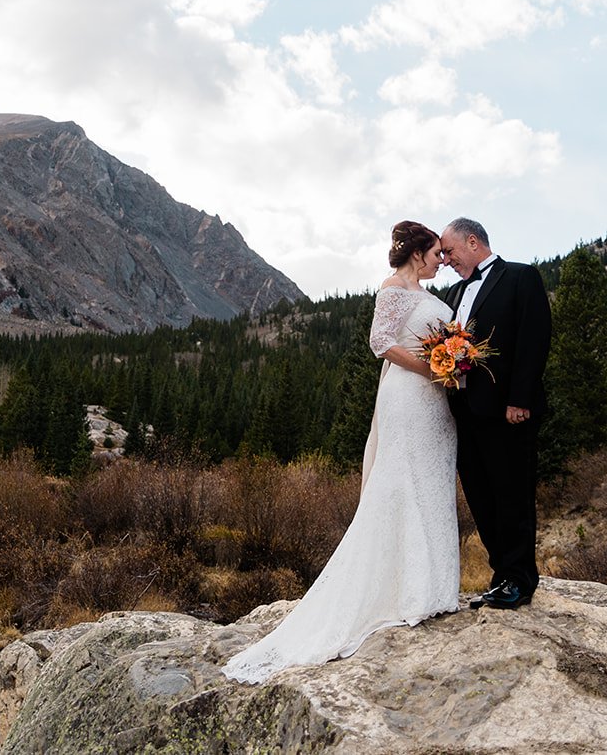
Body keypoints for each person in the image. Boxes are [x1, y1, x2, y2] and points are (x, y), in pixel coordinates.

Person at [222, 221, 460, 684]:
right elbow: (381, 343)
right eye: (436, 253)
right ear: (417, 253)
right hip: (409, 397)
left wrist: (449, 367)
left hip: (436, 404)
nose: (441, 260)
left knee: (431, 480)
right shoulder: (393, 288)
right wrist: (431, 367)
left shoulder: (431, 294)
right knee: (401, 482)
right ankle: (403, 593)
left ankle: (433, 588)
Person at [438, 217, 551, 610]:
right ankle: (501, 575)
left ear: (473, 242)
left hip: (508, 412)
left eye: (449, 251)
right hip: (466, 413)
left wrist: (519, 400)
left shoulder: (521, 277)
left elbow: (534, 340)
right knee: (482, 497)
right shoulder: (452, 293)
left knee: (512, 495)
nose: (446, 259)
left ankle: (521, 580)